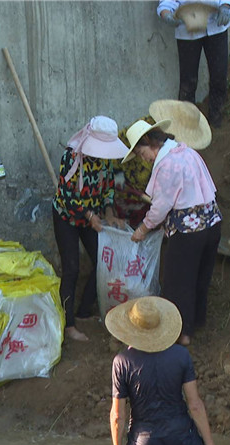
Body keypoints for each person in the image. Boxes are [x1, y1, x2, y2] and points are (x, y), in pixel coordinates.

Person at [123, 118, 221, 346]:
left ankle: (181, 334)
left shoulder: (167, 164)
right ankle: (195, 323)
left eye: (141, 152)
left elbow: (160, 207)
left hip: (189, 231)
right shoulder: (188, 153)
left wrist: (143, 229)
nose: (143, 159)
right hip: (212, 224)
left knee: (178, 281)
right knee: (199, 276)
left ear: (151, 142)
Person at [108, 296, 222, 445]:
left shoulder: (122, 361)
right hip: (182, 437)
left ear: (130, 329)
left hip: (144, 444)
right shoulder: (181, 355)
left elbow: (118, 416)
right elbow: (195, 405)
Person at [53, 116, 129, 342]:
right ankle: (69, 325)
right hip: (67, 216)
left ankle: (84, 310)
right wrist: (89, 215)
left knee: (102, 263)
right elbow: (66, 195)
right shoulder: (71, 157)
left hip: (93, 216)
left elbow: (109, 189)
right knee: (72, 269)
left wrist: (108, 212)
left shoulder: (107, 160)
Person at [157, 1, 230, 128]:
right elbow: (165, 3)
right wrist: (167, 15)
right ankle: (188, 127)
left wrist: (225, 6)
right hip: (187, 30)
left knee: (219, 76)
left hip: (216, 25)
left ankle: (216, 121)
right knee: (188, 83)